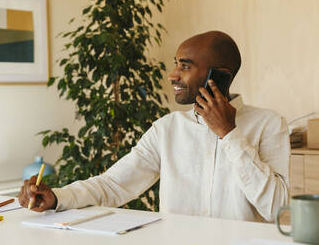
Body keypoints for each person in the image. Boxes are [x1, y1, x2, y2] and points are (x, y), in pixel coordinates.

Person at [19, 31, 290, 222]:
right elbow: (113, 184)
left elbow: (277, 209)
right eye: (176, 64)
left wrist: (228, 134)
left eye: (185, 66)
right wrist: (57, 197)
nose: (173, 75)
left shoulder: (268, 124)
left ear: (219, 76)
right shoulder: (167, 129)